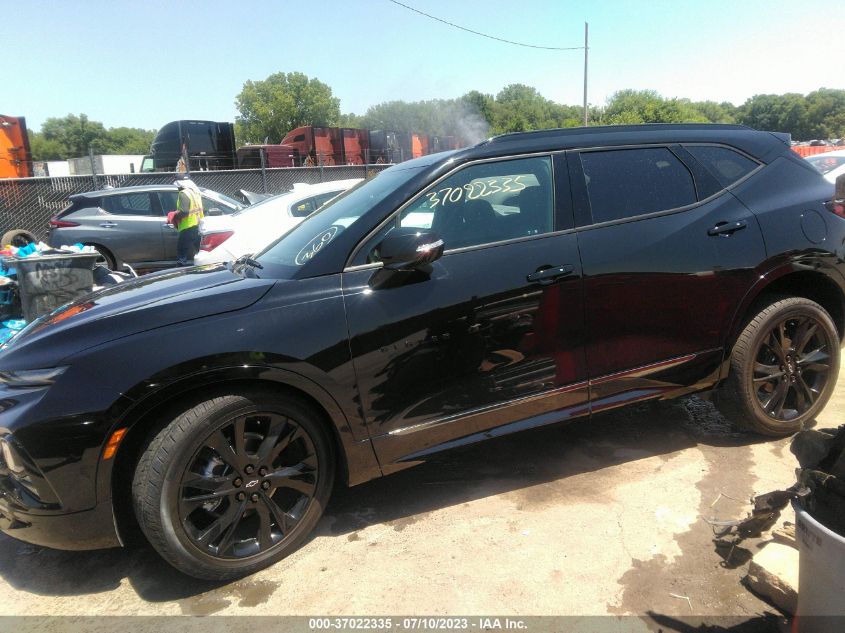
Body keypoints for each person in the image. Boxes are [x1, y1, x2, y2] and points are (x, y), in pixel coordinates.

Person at [172, 177, 204, 266]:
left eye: (178, 186)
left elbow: (184, 211)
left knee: (182, 253)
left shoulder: (183, 193)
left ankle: (182, 273)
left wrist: (174, 216)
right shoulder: (195, 192)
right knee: (200, 251)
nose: (178, 188)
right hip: (197, 225)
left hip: (187, 227)